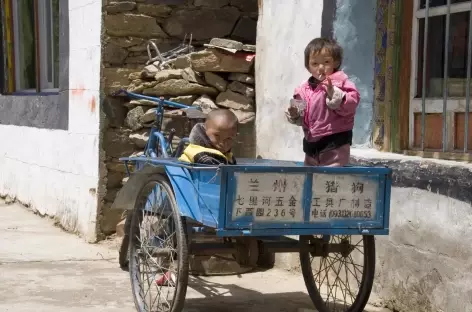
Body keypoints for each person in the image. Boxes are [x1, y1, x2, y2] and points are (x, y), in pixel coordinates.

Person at [286, 37, 360, 167]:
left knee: (331, 180)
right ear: (308, 67)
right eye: (315, 64)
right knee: (311, 180)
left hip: (335, 143)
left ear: (335, 63)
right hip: (311, 145)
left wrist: (335, 94)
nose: (320, 68)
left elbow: (351, 104)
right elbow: (302, 116)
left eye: (326, 62)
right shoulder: (303, 89)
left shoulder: (342, 83)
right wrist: (295, 114)